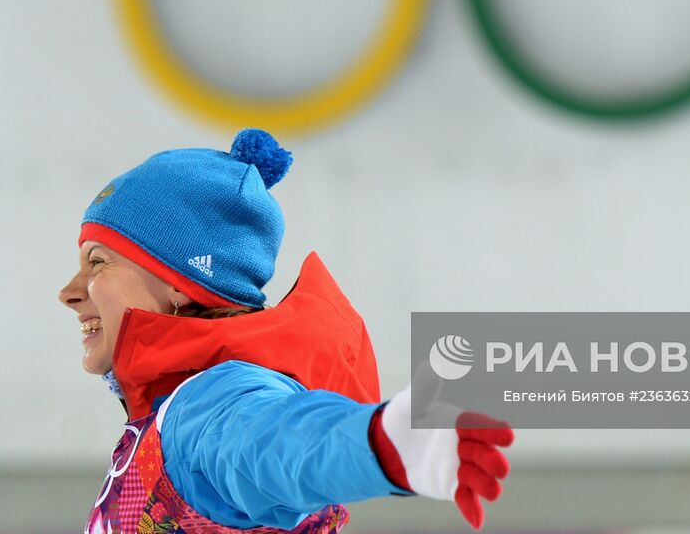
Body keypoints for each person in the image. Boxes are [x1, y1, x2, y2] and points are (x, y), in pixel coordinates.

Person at [57, 128, 514, 534]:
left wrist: (373, 444)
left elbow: (267, 442)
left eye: (98, 261)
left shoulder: (207, 406)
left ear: (178, 282)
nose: (69, 292)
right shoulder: (177, 409)